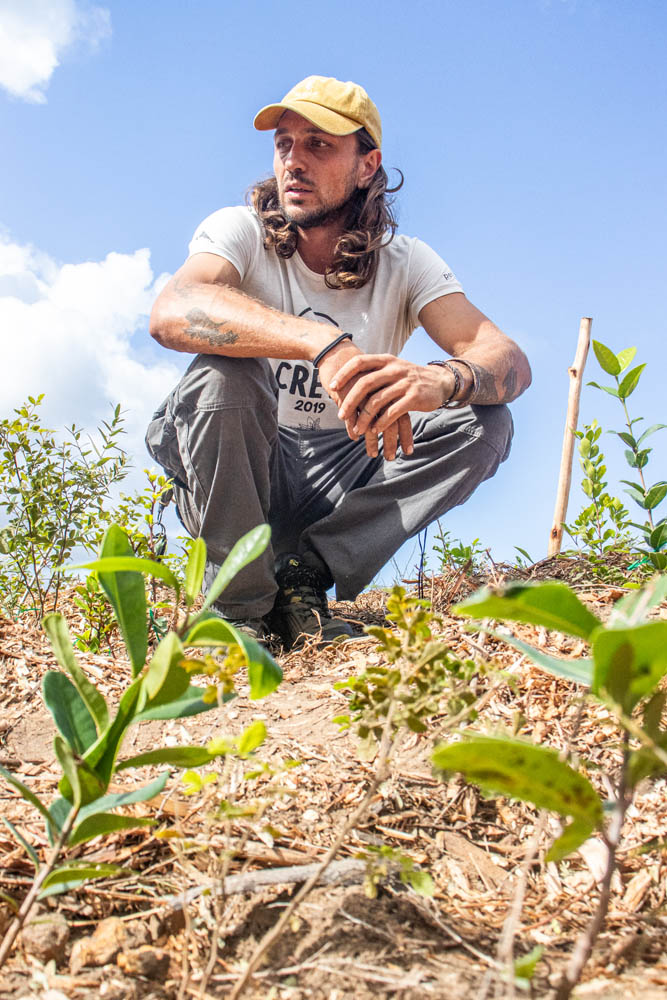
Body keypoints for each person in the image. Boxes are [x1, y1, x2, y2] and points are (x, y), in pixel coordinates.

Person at [146, 75, 531, 649]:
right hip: (243, 467)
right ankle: (238, 611)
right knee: (222, 376)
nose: (293, 161)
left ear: (367, 165)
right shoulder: (239, 231)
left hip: (341, 479)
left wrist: (442, 380)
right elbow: (172, 310)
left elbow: (507, 358)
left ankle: (304, 577)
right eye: (283, 144)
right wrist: (319, 342)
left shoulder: (407, 262)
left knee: (485, 421)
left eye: (318, 145)